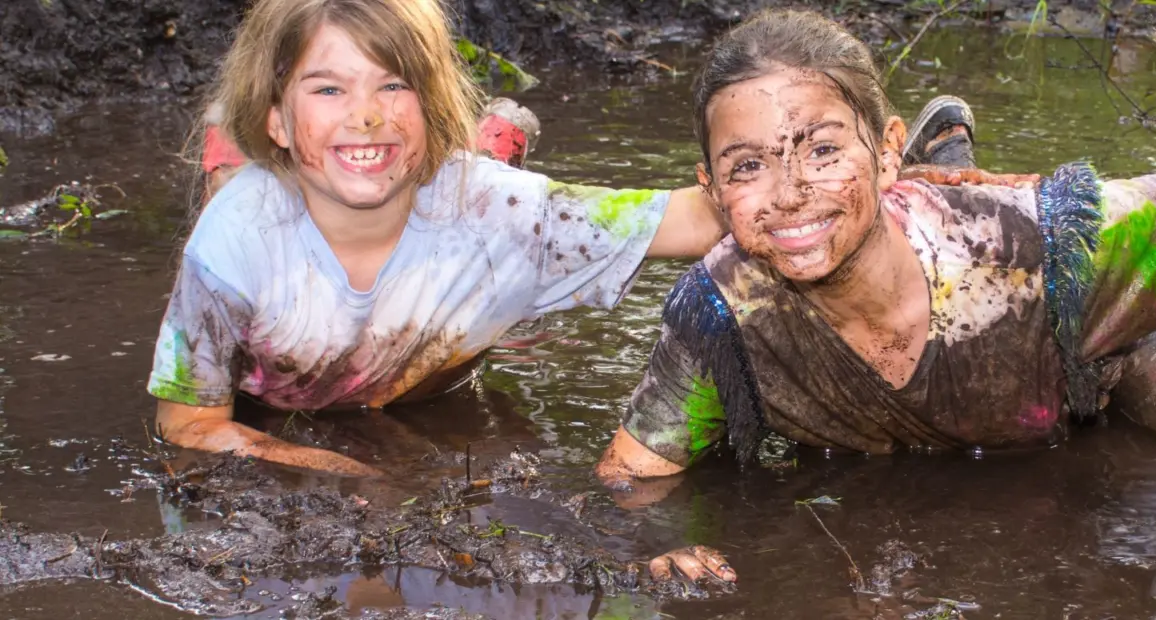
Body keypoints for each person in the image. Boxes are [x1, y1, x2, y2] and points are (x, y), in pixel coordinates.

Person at [591, 7, 1156, 584]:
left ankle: (948, 157)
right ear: (711, 189)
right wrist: (657, 546)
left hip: (1089, 369)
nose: (787, 193)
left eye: (825, 151)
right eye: (747, 167)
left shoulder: (1035, 240)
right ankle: (944, 151)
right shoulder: (720, 315)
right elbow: (630, 478)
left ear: (885, 152)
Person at [149, 0, 727, 476]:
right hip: (273, 357)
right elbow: (187, 423)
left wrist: (796, 183)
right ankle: (230, 145)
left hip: (460, 233)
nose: (367, 116)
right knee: (231, 194)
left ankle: (496, 144)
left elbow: (693, 218)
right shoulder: (234, 239)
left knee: (487, 200)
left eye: (394, 85)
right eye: (328, 90)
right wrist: (330, 465)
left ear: (432, 104)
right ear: (276, 118)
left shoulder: (500, 215)